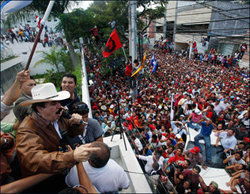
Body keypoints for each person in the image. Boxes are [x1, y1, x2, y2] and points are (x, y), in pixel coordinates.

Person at [16, 83, 99, 178]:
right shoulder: (26, 130)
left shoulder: (58, 117)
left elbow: (73, 133)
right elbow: (33, 160)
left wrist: (77, 123)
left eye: (59, 102)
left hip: (62, 170)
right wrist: (72, 156)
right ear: (40, 108)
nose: (60, 106)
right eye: (54, 103)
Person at [65, 142, 130, 193]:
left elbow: (68, 183)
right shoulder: (117, 169)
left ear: (91, 161)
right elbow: (126, 186)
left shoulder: (76, 170)